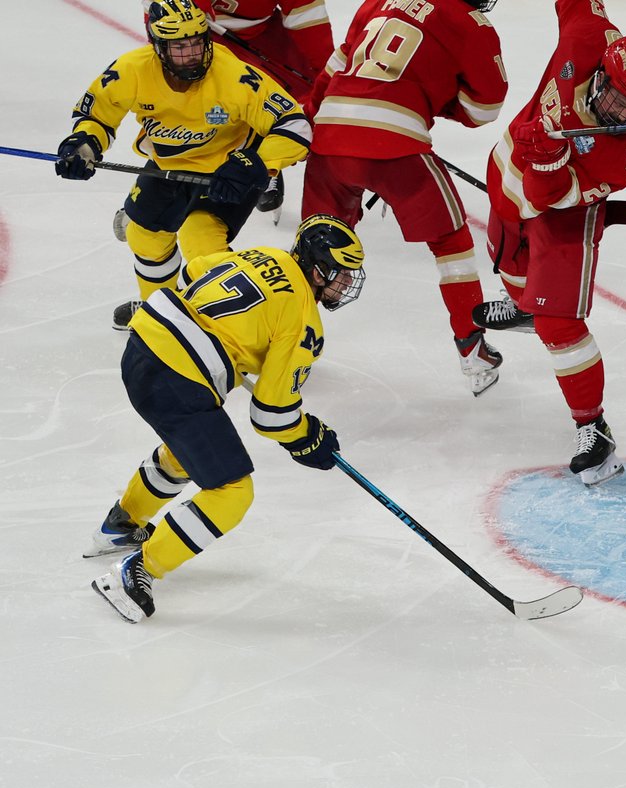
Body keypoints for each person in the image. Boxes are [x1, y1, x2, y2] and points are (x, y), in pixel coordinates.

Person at [88, 214, 366, 623]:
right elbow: (272, 414)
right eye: (340, 274)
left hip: (141, 346)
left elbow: (193, 271)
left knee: (187, 454)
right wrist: (310, 437)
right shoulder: (305, 321)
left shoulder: (261, 254)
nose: (345, 284)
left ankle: (120, 525)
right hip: (177, 380)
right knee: (232, 491)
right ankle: (136, 572)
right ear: (317, 267)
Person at [471, 0, 626, 484]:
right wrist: (539, 150)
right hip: (505, 181)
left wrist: (551, 158)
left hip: (561, 215)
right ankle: (524, 305)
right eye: (620, 99)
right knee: (512, 273)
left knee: (560, 325)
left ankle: (593, 428)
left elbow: (551, 198)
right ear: (601, 74)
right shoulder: (589, 36)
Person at [56, 0, 311, 330]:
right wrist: (83, 146)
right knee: (144, 237)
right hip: (166, 168)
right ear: (158, 47)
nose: (191, 53)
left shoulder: (234, 75)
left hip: (226, 175)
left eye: (197, 42)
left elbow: (295, 125)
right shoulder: (132, 70)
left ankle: (227, 327)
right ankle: (159, 311)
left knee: (202, 243)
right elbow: (96, 114)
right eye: (179, 47)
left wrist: (257, 162)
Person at [300, 0, 509, 397]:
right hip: (397, 146)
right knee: (451, 242)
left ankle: (293, 341)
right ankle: (472, 348)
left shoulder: (378, 1)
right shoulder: (474, 25)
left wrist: (309, 118)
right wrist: (430, 99)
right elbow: (483, 109)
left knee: (315, 247)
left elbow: (333, 68)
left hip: (331, 134)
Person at [144, 0, 338, 214]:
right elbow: (158, 15)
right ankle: (172, 174)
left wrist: (327, 80)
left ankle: (263, 149)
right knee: (205, 94)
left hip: (260, 33)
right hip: (197, 35)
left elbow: (308, 19)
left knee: (281, 92)